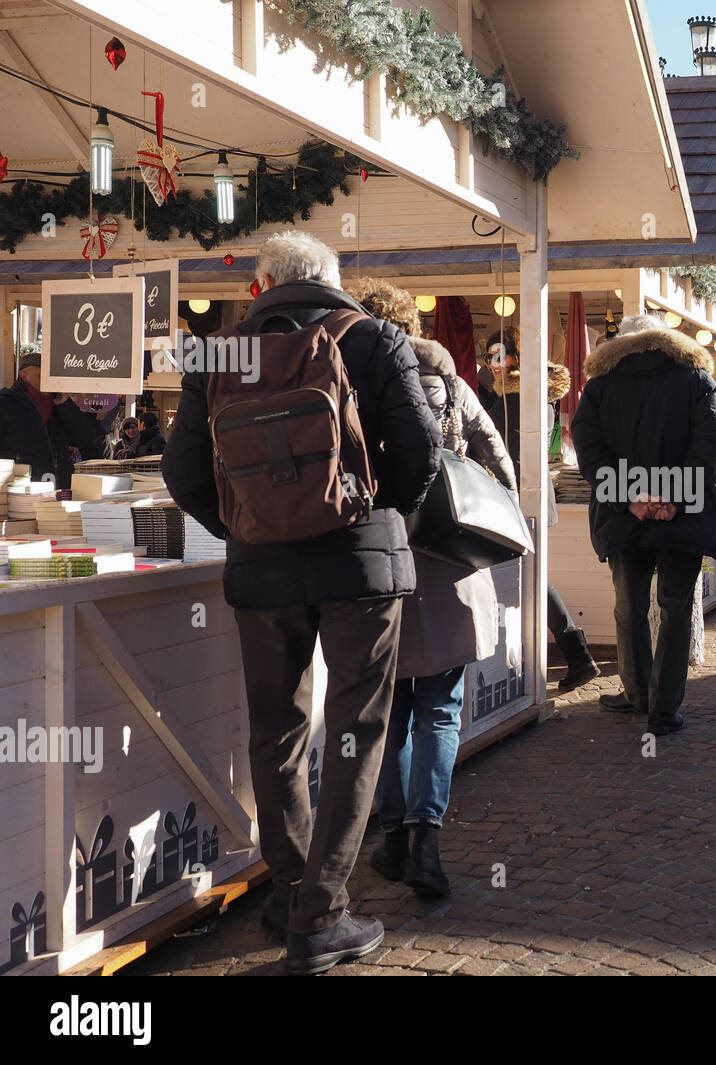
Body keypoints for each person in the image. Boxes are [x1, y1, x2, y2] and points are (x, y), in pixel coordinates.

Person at [162, 231, 440, 975]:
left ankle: (290, 895)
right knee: (357, 729)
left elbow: (182, 470)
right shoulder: (375, 339)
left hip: (264, 574)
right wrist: (382, 523)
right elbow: (421, 453)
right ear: (333, 280)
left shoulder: (220, 355)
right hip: (359, 565)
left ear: (262, 287)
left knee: (277, 729)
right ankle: (322, 915)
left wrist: (249, 528)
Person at [374, 333, 515, 897]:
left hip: (388, 569)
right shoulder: (459, 393)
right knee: (440, 709)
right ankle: (425, 842)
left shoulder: (371, 389)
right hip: (453, 573)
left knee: (390, 714)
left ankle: (391, 838)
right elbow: (503, 476)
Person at [571, 314, 716, 736]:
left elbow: (587, 444)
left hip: (624, 512)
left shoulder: (602, 383)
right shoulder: (695, 377)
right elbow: (711, 438)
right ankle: (663, 708)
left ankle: (636, 693)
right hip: (684, 509)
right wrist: (672, 495)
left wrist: (630, 497)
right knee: (676, 607)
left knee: (629, 606)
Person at [484, 328, 600, 692]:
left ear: (517, 357)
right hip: (522, 494)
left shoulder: (516, 398)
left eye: (500, 354)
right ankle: (571, 655)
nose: (493, 362)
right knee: (529, 575)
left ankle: (574, 655)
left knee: (529, 576)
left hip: (516, 495)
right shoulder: (524, 395)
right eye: (490, 355)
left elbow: (505, 451)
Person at [0, 349, 106, 488]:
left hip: (59, 486)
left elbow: (84, 439)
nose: (47, 381)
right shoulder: (5, 402)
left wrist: (66, 405)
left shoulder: (59, 404)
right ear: (23, 375)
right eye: (41, 376)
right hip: (21, 489)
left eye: (50, 376)